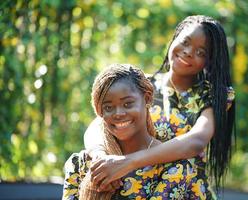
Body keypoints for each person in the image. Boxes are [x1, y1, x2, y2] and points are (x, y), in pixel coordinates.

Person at [85, 15, 236, 198]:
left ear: (209, 61)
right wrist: (100, 156)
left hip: (183, 189)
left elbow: (196, 141)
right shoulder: (141, 85)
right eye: (185, 42)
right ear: (174, 40)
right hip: (134, 186)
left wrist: (127, 162)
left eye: (201, 52)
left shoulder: (211, 95)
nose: (189, 52)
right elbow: (98, 124)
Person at [63, 64, 215, 199]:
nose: (118, 113)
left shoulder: (175, 170)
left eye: (128, 104)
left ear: (147, 99)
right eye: (108, 107)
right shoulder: (82, 164)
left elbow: (198, 140)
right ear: (99, 111)